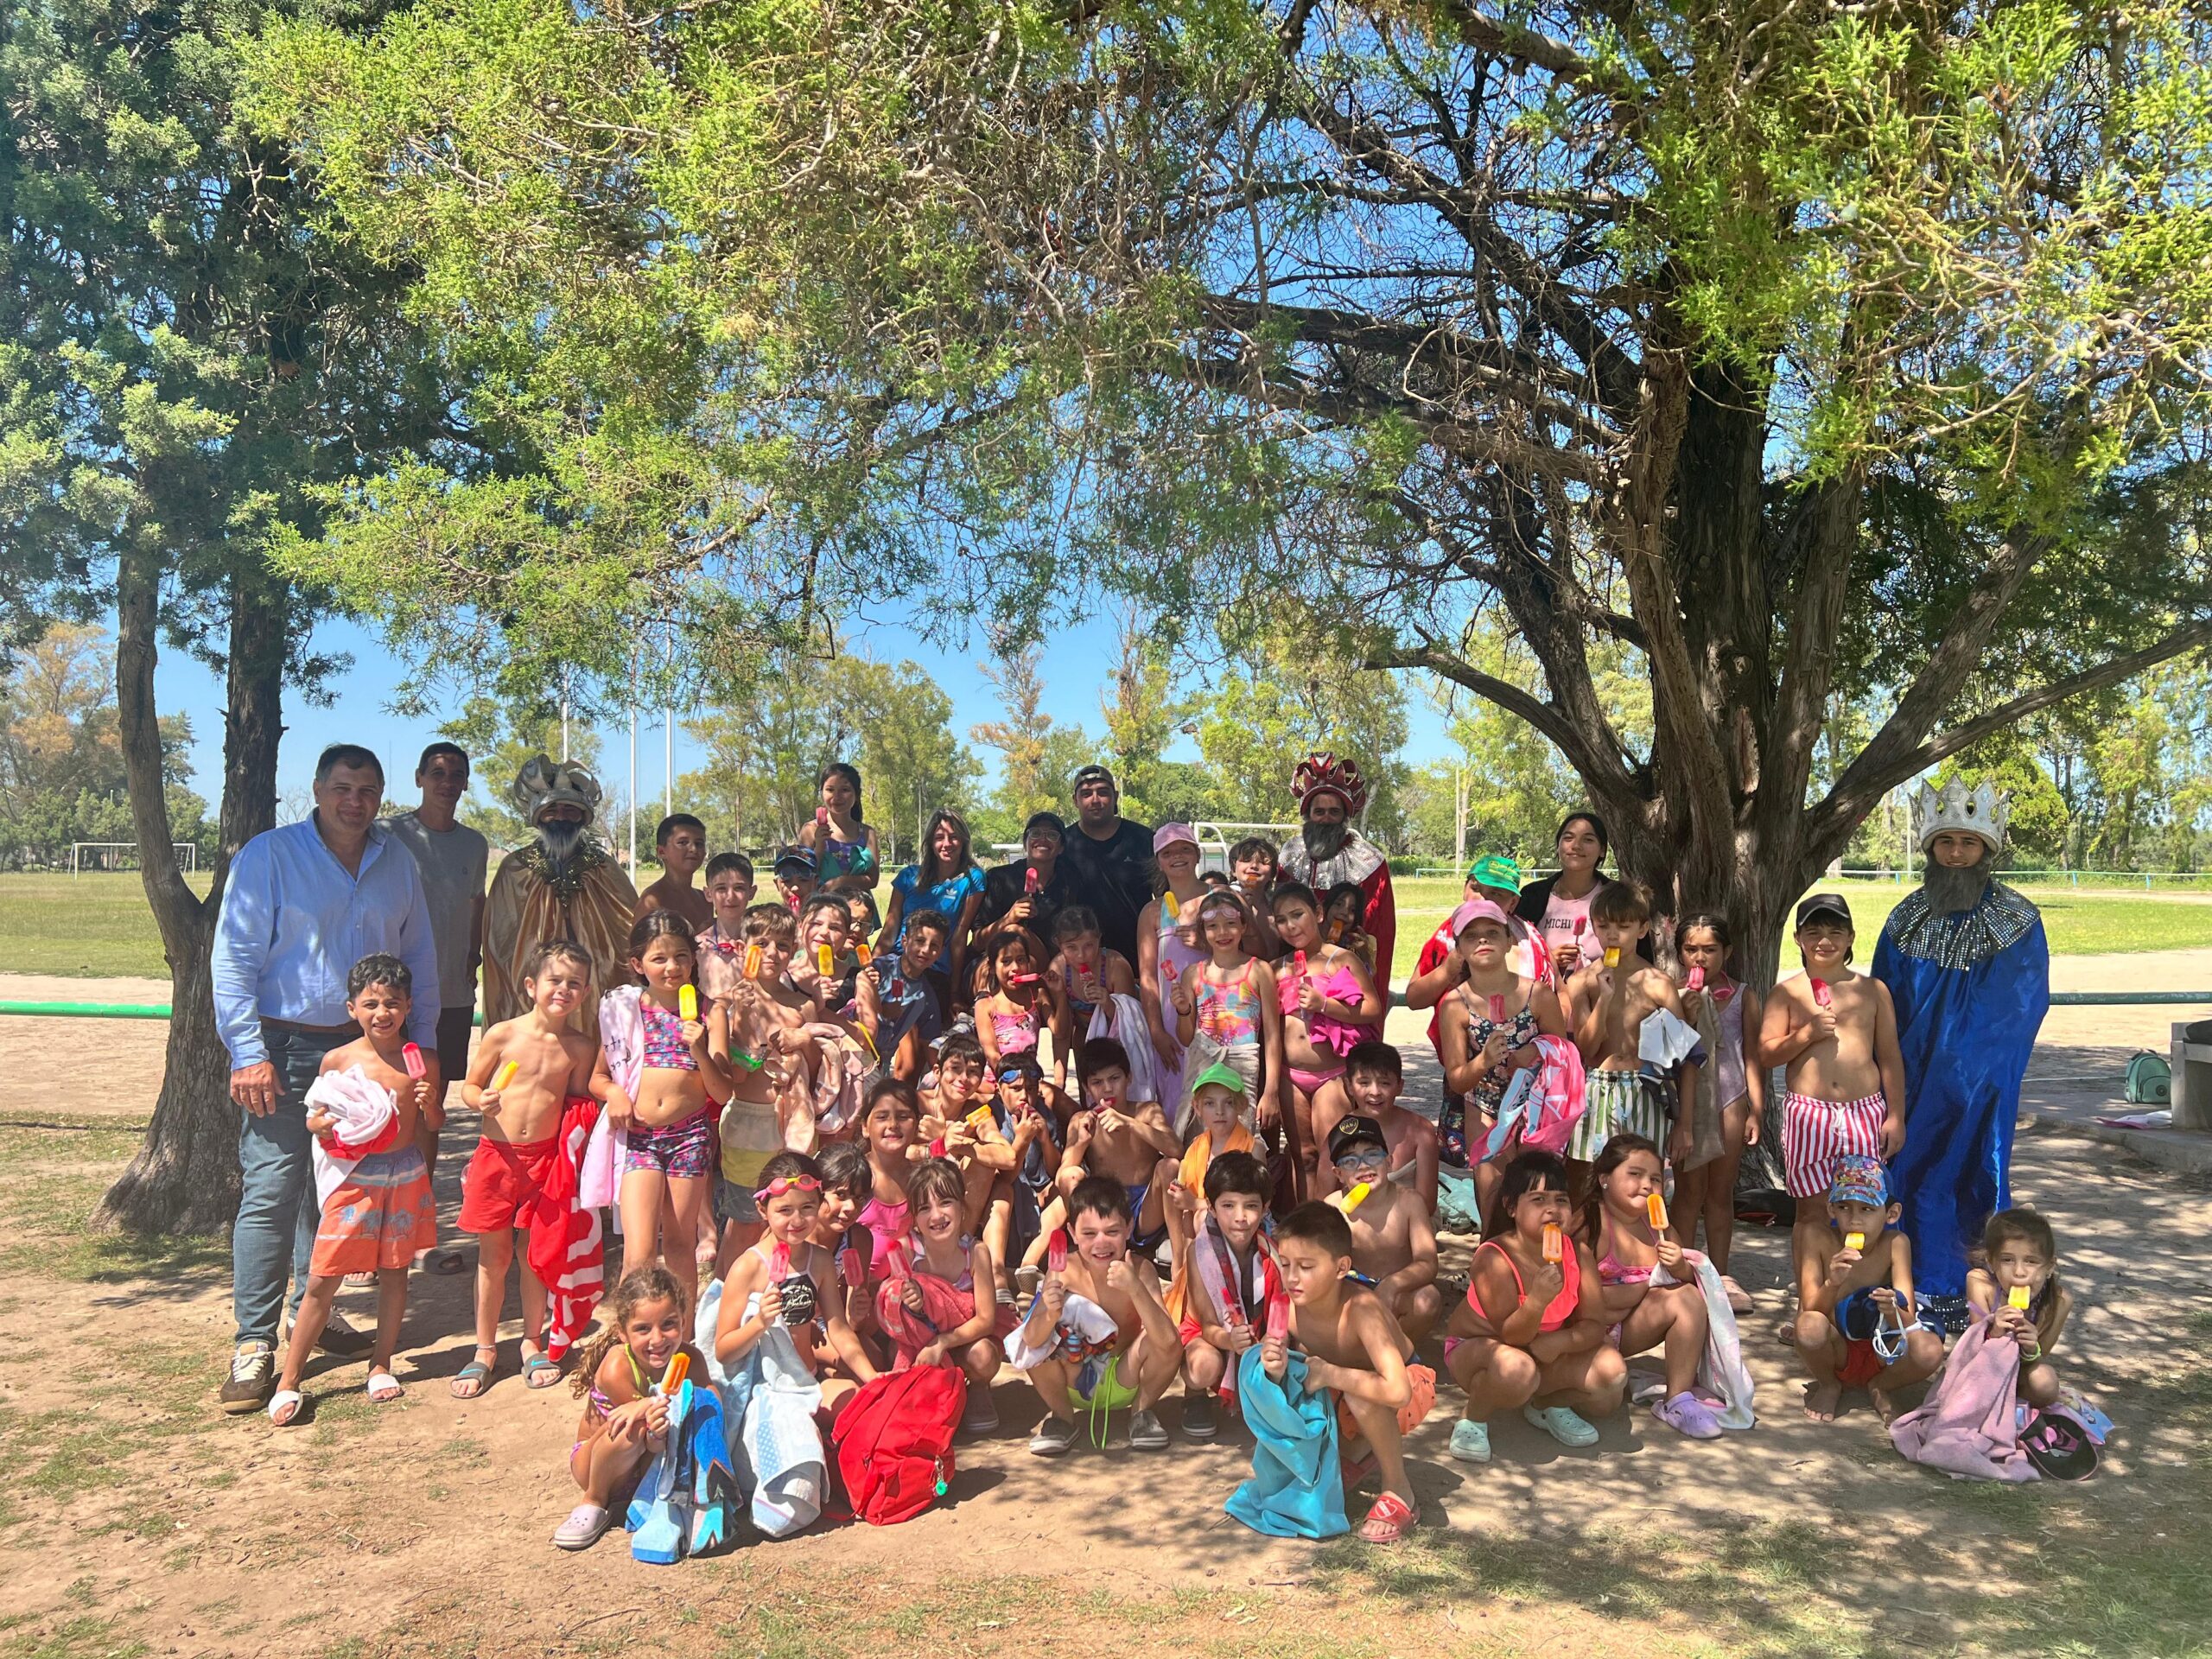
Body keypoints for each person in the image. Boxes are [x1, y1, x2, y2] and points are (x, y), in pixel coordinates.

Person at [213, 742, 442, 1414]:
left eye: (367, 791)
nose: (355, 802)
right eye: (342, 788)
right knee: (273, 1188)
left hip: (367, 1052)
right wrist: (247, 1051)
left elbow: (420, 958)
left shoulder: (396, 862)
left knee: (334, 1191)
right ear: (316, 790)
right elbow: (233, 959)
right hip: (281, 1048)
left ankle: (310, 1314)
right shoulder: (270, 856)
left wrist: (422, 1049)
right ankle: (254, 1344)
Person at [1874, 779, 2050, 1328]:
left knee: (1977, 1172)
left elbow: (2021, 1004)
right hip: (1916, 1077)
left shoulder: (2018, 919)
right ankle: (1917, 1285)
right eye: (1946, 841)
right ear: (1931, 847)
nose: (1956, 852)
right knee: (1915, 1172)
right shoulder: (1905, 919)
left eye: (1968, 843)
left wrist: (1976, 1071)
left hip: (1982, 1080)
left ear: (1986, 849)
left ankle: (1981, 1294)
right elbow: (1886, 999)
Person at [266, 954, 443, 1425]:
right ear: (352, 1008)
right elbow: (317, 1116)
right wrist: (319, 1126)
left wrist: (430, 1105)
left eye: (393, 1003)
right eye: (371, 1004)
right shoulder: (339, 1060)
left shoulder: (422, 1061)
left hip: (404, 1177)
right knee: (323, 1277)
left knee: (396, 1271)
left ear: (408, 1006)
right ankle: (289, 1379)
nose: (382, 1013)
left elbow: (433, 1125)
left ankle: (381, 1362)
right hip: (355, 1179)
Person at [452, 939, 599, 1398]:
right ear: (532, 985)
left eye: (574, 983)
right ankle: (484, 1349)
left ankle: (532, 1340)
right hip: (496, 1157)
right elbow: (470, 1086)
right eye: (555, 980)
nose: (564, 990)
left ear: (585, 992)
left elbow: (577, 1106)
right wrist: (481, 1100)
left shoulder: (579, 1047)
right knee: (493, 1258)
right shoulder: (502, 1034)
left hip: (546, 1162)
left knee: (534, 1255)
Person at [380, 741, 489, 1275]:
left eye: (457, 774)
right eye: (438, 772)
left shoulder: (474, 844)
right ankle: (372, 1232)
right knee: (382, 1111)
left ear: (465, 783)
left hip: (450, 998)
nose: (447, 782)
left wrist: (472, 960)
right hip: (392, 1001)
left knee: (429, 1112)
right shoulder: (389, 835)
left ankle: (418, 1235)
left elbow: (476, 907)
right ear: (420, 777)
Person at [1443, 1150, 1626, 1465]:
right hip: (1482, 1351)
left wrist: (1562, 1341)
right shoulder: (1493, 1258)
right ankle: (1473, 1416)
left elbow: (1594, 1324)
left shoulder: (1578, 1253)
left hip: (1542, 1350)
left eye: (1561, 1199)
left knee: (1611, 1381)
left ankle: (1543, 1405)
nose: (1553, 1209)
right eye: (1538, 1200)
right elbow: (1511, 1336)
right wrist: (1538, 1301)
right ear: (1511, 1207)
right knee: (1517, 1371)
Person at [1263, 1201, 1431, 1544]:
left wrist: (1329, 1374)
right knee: (1289, 1382)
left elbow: (1398, 1390)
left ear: (1341, 1268)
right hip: (1342, 1393)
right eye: (1286, 1264)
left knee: (1360, 1393)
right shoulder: (1288, 1307)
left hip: (1404, 1386)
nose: (1292, 1277)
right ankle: (1355, 1453)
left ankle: (1399, 1490)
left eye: (1306, 1266)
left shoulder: (1362, 1308)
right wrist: (1275, 1368)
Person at [594, 912, 735, 1310]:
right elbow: (597, 1077)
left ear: (693, 960)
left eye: (681, 956)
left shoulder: (711, 1012)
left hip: (688, 1138)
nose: (672, 967)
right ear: (638, 964)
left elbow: (723, 1091)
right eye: (659, 958)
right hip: (639, 1139)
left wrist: (700, 1049)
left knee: (679, 1244)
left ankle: (683, 1335)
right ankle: (631, 1336)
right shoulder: (625, 1012)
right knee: (638, 1252)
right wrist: (614, 1094)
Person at [1761, 894, 1906, 1254]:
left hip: (1863, 1112)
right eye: (1813, 932)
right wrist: (1806, 1034)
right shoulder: (1786, 993)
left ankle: (1852, 1287)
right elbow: (1766, 1054)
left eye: (1835, 932)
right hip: (1809, 1115)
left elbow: (1890, 1057)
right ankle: (1811, 1287)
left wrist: (1896, 1116)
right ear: (1798, 938)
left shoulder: (1872, 991)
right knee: (1811, 1212)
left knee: (1862, 1209)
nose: (1824, 941)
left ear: (1851, 937)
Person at [1011, 1174, 1182, 1455]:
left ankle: (1141, 1413)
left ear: (1128, 1228)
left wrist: (1135, 1289)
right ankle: (1062, 1417)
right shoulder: (1062, 1270)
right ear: (1072, 1232)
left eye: (1111, 1231)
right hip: (1074, 1378)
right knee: (1036, 1338)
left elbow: (1168, 1341)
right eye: (1089, 1234)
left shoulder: (1141, 1270)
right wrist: (1050, 1312)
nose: (1101, 1243)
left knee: (1166, 1337)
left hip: (1125, 1375)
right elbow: (1030, 1341)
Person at [1579, 1135, 1725, 1439]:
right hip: (1584, 1333)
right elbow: (1574, 1295)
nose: (1647, 1185)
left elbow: (1691, 1286)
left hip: (1629, 1330)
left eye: (1655, 1179)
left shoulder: (1660, 1227)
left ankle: (1678, 1399)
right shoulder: (1588, 1223)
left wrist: (1681, 1267)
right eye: (1635, 1174)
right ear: (1605, 1179)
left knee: (1687, 1297)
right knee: (1602, 1400)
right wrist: (1639, 1289)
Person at [715, 1150, 878, 1421]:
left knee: (859, 1401)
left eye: (807, 1208)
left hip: (807, 1381)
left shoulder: (821, 1261)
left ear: (819, 1203)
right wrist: (759, 1322)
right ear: (763, 1210)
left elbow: (839, 1329)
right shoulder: (748, 1267)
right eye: (785, 1210)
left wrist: (873, 1378)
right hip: (765, 1388)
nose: (797, 1220)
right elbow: (723, 1351)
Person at [1405, 855, 1545, 1167]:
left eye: (1496, 894)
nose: (1483, 898)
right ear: (1465, 886)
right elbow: (1414, 997)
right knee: (1480, 1163)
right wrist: (1446, 971)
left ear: (1513, 902)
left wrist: (1539, 1048)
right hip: (1468, 1074)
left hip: (1529, 1082)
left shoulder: (1529, 940)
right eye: (1477, 888)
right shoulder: (1448, 938)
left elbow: (1555, 1002)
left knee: (1528, 1170)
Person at [482, 756, 639, 1032]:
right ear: (538, 816)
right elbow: (500, 939)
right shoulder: (515, 868)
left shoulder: (604, 867)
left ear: (583, 817)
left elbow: (628, 928)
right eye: (552, 810)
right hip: (532, 982)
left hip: (593, 982)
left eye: (570, 810)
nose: (561, 817)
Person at [554, 1265, 698, 1552]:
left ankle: (662, 1501)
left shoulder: (690, 1359)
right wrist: (647, 1404)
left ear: (684, 1321)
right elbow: (639, 1419)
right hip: (597, 1463)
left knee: (664, 1427)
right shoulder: (616, 1366)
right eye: (643, 1329)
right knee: (633, 1425)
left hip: (650, 1459)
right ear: (623, 1332)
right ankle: (594, 1502)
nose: (657, 1339)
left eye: (669, 1324)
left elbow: (712, 1403)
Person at [1792, 1154, 1943, 1423]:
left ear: (1891, 1213)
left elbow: (1908, 1321)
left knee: (1929, 1350)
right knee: (1807, 1326)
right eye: (1844, 1207)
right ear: (1831, 1209)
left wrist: (1892, 1309)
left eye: (1867, 1209)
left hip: (1882, 1350)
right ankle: (1829, 1384)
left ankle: (1881, 1386)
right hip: (1837, 1348)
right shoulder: (1816, 1237)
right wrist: (1832, 1283)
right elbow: (1810, 1310)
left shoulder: (1896, 1243)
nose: (1854, 1220)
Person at [1433, 898, 1570, 1192]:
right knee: (1494, 1200)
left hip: (1537, 1110)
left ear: (1509, 941)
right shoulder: (1455, 1005)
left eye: (1492, 932)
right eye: (1471, 935)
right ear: (1460, 949)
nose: (1482, 940)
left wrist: (1536, 1050)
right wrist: (1483, 1061)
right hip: (1484, 1110)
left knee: (1536, 1196)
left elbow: (1565, 1057)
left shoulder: (1538, 995)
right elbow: (1457, 1080)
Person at [1565, 882, 1700, 1177]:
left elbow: (1684, 1058)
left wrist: (1684, 1124)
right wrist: (1604, 1000)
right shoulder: (1581, 981)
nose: (1613, 935)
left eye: (1623, 926)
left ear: (1642, 929)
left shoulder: (1658, 983)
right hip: (1597, 1088)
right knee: (1588, 1184)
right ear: (1593, 927)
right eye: (1603, 926)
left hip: (1645, 1090)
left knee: (1643, 1181)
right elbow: (1587, 1048)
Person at [874, 1157, 1015, 1431]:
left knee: (985, 1356)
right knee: (892, 1350)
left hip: (962, 1340)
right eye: (925, 1208)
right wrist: (904, 1298)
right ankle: (927, 1394)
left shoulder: (976, 1253)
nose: (937, 1216)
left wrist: (941, 1343)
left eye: (945, 1202)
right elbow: (890, 1305)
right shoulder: (906, 1251)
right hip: (919, 1345)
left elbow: (985, 1320)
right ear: (915, 1218)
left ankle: (978, 1387)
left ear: (962, 1207)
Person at [1673, 912, 1764, 1313]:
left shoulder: (1743, 996)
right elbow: (1667, 1053)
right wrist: (1684, 1012)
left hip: (1731, 1097)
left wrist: (1756, 1110)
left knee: (1720, 1192)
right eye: (1691, 949)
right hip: (1688, 1103)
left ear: (1727, 952)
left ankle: (1721, 1275)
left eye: (1710, 949)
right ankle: (1681, 1271)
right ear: (1680, 953)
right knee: (1688, 1191)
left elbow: (1754, 1056)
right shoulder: (1671, 994)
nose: (1700, 958)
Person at [1271, 881, 1385, 1188]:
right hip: (1290, 1076)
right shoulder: (1275, 969)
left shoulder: (1341, 959)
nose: (1291, 926)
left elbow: (1373, 1008)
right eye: (1282, 920)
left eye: (1298, 915)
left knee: (1332, 1154)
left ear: (1318, 913)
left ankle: (1336, 1214)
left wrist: (1324, 1004)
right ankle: (1306, 1216)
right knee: (1303, 1156)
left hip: (1331, 1075)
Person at [1049, 1038, 1180, 1266]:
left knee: (1170, 1166)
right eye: (1097, 1082)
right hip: (1104, 1209)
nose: (1108, 1088)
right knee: (1071, 1175)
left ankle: (1179, 1258)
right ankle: (1089, 1250)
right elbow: (1063, 1177)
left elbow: (1176, 1150)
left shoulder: (1147, 1111)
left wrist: (1131, 1124)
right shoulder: (1081, 1120)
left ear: (1129, 1078)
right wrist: (1081, 1143)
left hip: (1146, 1209)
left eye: (1114, 1078)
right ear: (1086, 1088)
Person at [1175, 1148, 1274, 1442]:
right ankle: (1194, 1396)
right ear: (1211, 1207)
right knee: (1205, 1366)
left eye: (1251, 1206)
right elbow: (1207, 1324)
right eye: (1228, 1205)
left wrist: (1272, 1340)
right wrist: (1230, 1340)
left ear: (1265, 1208)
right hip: (1209, 1336)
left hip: (1256, 1334)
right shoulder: (1199, 1253)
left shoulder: (1274, 1253)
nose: (1240, 1217)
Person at [1276, 753, 1397, 991]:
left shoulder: (1369, 861)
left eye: (1334, 811)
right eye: (1319, 811)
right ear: (1308, 815)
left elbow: (1379, 929)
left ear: (1344, 817)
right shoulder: (1290, 854)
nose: (1326, 818)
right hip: (1295, 964)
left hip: (1346, 971)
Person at [1170, 889, 1284, 1136]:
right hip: (1203, 1069)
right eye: (1213, 926)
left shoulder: (1259, 970)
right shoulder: (1193, 974)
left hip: (1243, 1069)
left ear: (1244, 926)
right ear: (1203, 932)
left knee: (1239, 1141)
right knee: (1200, 1140)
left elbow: (1273, 1036)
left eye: (1230, 924)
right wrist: (1183, 1011)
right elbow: (1186, 1038)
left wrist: (1271, 1090)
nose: (1222, 932)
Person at [1322, 1116, 1441, 1345]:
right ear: (1338, 1174)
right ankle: (1356, 1353)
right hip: (1351, 1294)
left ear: (1389, 1162)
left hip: (1397, 1292)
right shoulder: (1333, 1207)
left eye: (1372, 1155)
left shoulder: (1409, 1202)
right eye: (1350, 1161)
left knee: (1428, 1299)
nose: (1363, 1166)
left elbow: (1428, 1263)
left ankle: (1397, 1349)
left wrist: (1392, 1285)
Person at [1137, 822, 1211, 1119]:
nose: (1177, 856)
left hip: (1217, 1013)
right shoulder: (1153, 912)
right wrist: (1156, 1030)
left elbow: (1250, 949)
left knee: (1217, 1097)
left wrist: (1206, 941)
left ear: (1197, 854)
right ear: (1159, 861)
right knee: (1176, 1102)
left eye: (1184, 849)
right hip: (1172, 1022)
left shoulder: (1218, 898)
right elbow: (1147, 977)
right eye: (1168, 852)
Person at [1313, 1040, 1441, 1214]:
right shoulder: (1339, 1134)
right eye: (1364, 1083)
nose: (1375, 1092)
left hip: (1411, 1217)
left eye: (1385, 1083)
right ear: (1349, 1086)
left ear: (1400, 1086)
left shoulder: (1421, 1131)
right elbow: (1322, 1202)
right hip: (1357, 1220)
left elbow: (1427, 1205)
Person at [1965, 1209, 2072, 1408]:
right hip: (1980, 1371)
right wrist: (1994, 1332)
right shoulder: (1980, 1283)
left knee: (2045, 1382)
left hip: (2020, 1376)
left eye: (2031, 1261)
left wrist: (2031, 1348)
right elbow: (1973, 1348)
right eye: (2007, 1260)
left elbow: (2041, 1355)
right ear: (1991, 1262)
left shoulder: (2060, 1301)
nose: (2019, 1272)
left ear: (2050, 1266)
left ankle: (2013, 1407)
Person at [1516, 813, 1637, 980]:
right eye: (1568, 838)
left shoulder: (1619, 898)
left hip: (1605, 990)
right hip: (1545, 991)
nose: (1576, 846)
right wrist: (1548, 960)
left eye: (1588, 840)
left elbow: (1636, 956)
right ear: (1558, 846)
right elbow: (1514, 953)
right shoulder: (1532, 895)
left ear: (1602, 850)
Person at [878, 808, 987, 993]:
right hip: (897, 960)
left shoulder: (972, 879)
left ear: (963, 841)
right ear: (930, 842)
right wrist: (871, 967)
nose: (947, 844)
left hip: (934, 968)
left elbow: (959, 937)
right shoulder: (908, 876)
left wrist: (954, 993)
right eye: (939, 837)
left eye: (954, 837)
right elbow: (889, 930)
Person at [1056, 766, 1157, 963]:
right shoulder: (1062, 845)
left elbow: (1167, 897)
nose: (1095, 800)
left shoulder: (1143, 839)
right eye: (1086, 794)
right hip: (1080, 962)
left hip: (1140, 959)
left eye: (1103, 792)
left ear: (1115, 796)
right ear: (1075, 800)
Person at [868, 907, 950, 1080]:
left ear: (941, 952)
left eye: (934, 946)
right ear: (904, 941)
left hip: (879, 1065)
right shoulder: (879, 968)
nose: (925, 950)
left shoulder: (927, 999)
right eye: (920, 941)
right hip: (853, 1045)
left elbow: (931, 1047)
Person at [976, 810, 1079, 944]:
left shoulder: (1069, 882)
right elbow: (977, 942)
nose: (1043, 840)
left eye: (1052, 835)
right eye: (1035, 833)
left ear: (1061, 848)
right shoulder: (998, 879)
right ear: (1025, 843)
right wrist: (1008, 919)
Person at [798, 762, 881, 894]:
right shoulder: (810, 830)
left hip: (859, 905)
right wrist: (819, 848)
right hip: (821, 904)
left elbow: (873, 879)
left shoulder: (866, 833)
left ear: (857, 794)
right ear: (821, 792)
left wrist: (841, 882)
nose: (836, 797)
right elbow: (801, 875)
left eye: (845, 790)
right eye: (830, 790)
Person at [694, 852, 758, 1001]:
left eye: (739, 888)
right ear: (708, 894)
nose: (730, 897)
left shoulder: (763, 943)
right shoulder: (698, 947)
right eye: (721, 889)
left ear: (751, 892)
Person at [635, 813, 711, 929]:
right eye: (683, 843)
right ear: (661, 852)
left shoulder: (705, 899)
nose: (693, 849)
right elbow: (639, 940)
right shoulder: (652, 901)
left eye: (699, 844)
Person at [1228, 837, 1282, 958]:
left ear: (1273, 873)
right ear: (1233, 870)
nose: (1254, 866)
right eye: (1246, 860)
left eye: (1263, 862)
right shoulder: (1225, 901)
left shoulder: (1277, 904)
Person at [771, 844, 820, 915]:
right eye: (787, 881)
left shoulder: (825, 917)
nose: (795, 888)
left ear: (815, 882)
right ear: (777, 884)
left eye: (803, 880)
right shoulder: (772, 919)